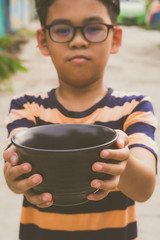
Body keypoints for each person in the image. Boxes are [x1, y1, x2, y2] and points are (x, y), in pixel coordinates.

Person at [3, 0, 158, 239]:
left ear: (115, 38)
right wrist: (16, 179)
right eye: (62, 29)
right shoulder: (26, 107)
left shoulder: (134, 107)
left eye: (94, 28)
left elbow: (144, 188)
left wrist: (123, 161)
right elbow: (14, 165)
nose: (78, 41)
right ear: (43, 41)